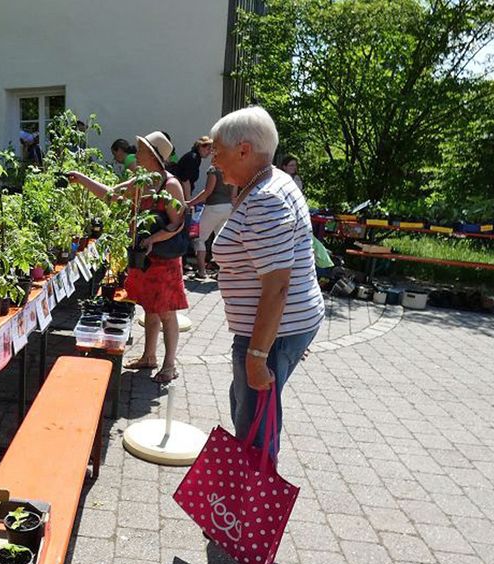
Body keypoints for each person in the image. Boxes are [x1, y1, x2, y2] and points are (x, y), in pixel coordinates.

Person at [209, 107, 324, 458]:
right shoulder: (270, 182)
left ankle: (251, 507)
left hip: (270, 334)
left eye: (218, 151)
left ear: (244, 149)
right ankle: (249, 502)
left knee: (255, 426)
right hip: (282, 330)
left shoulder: (265, 199)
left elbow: (277, 286)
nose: (213, 160)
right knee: (250, 407)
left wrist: (259, 356)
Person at [69, 131, 188, 384]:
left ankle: (169, 365)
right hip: (144, 257)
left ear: (154, 156)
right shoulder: (141, 181)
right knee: (149, 308)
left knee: (167, 312)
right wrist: (81, 179)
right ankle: (149, 357)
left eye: (143, 149)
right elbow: (110, 195)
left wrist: (151, 240)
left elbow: (177, 224)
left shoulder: (170, 185)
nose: (137, 152)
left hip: (164, 258)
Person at [187, 139, 234, 278]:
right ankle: (223, 273)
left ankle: (201, 271)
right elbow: (234, 195)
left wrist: (191, 202)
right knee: (222, 241)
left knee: (200, 239)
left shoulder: (213, 170)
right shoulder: (231, 170)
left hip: (214, 207)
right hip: (228, 208)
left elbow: (207, 192)